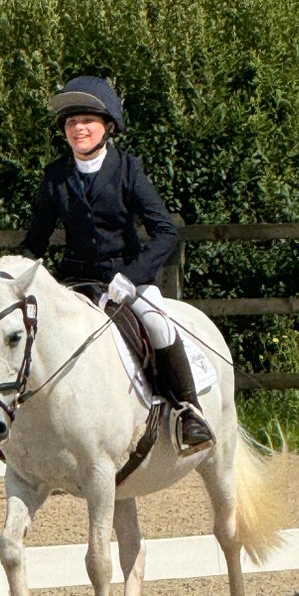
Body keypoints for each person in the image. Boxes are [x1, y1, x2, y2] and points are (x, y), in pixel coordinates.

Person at [19, 75, 214, 454]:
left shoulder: (128, 170)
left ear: (108, 126)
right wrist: (13, 274)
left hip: (125, 278)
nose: (78, 128)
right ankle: (11, 423)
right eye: (71, 122)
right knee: (21, 332)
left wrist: (134, 276)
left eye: (87, 121)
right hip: (74, 282)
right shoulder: (55, 176)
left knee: (157, 322)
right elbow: (35, 241)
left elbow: (165, 231)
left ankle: (190, 410)